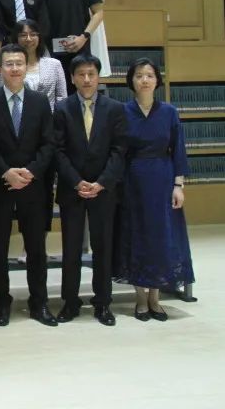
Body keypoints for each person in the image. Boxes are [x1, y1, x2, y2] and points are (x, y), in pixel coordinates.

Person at [0, 44, 58, 328]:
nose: (14, 68)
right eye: (9, 64)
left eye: (19, 63)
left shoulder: (40, 102)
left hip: (33, 185)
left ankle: (39, 303)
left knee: (36, 248)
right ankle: (2, 303)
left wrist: (30, 172)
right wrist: (6, 172)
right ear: (0, 69)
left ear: (26, 67)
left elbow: (49, 144)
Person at [114, 59, 195, 320]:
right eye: (139, 75)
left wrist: (178, 185)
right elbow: (117, 151)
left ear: (157, 80)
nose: (145, 80)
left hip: (163, 179)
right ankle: (140, 298)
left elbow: (178, 150)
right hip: (132, 180)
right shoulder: (122, 112)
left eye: (150, 75)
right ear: (131, 81)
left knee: (161, 237)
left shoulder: (169, 112)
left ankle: (155, 298)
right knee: (137, 236)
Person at [53, 54, 127, 326]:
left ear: (98, 77)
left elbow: (119, 151)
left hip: (103, 190)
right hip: (72, 189)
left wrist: (101, 182)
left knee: (103, 247)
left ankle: (103, 303)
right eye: (81, 74)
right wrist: (76, 181)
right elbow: (57, 151)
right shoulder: (62, 108)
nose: (86, 79)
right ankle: (70, 302)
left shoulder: (115, 109)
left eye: (91, 74)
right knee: (71, 248)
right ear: (72, 78)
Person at [12, 19, 66, 110]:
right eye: (23, 35)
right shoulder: (9, 66)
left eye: (33, 34)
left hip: (50, 116)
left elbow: (62, 98)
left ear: (39, 37)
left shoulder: (54, 64)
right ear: (16, 39)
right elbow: (3, 95)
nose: (28, 39)